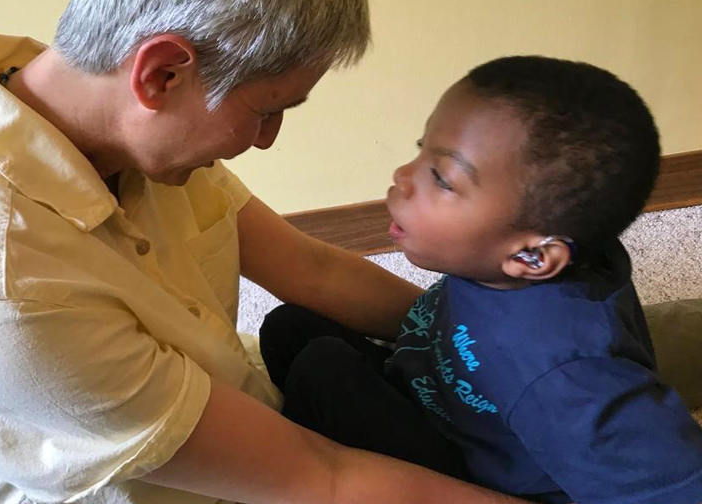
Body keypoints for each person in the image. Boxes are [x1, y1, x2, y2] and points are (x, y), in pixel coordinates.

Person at [0, 1, 532, 503]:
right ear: (162, 73)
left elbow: (311, 269)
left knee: (337, 353)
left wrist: (489, 345)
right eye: (269, 110)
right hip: (199, 481)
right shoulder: (0, 298)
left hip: (220, 415)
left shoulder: (93, 119)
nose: (267, 140)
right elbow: (322, 477)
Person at [260, 56, 702, 504]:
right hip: (439, 396)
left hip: (468, 471)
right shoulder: (521, 257)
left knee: (323, 368)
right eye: (420, 149)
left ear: (532, 257)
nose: (402, 177)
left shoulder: (568, 376)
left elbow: (674, 488)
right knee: (289, 326)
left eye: (442, 179)